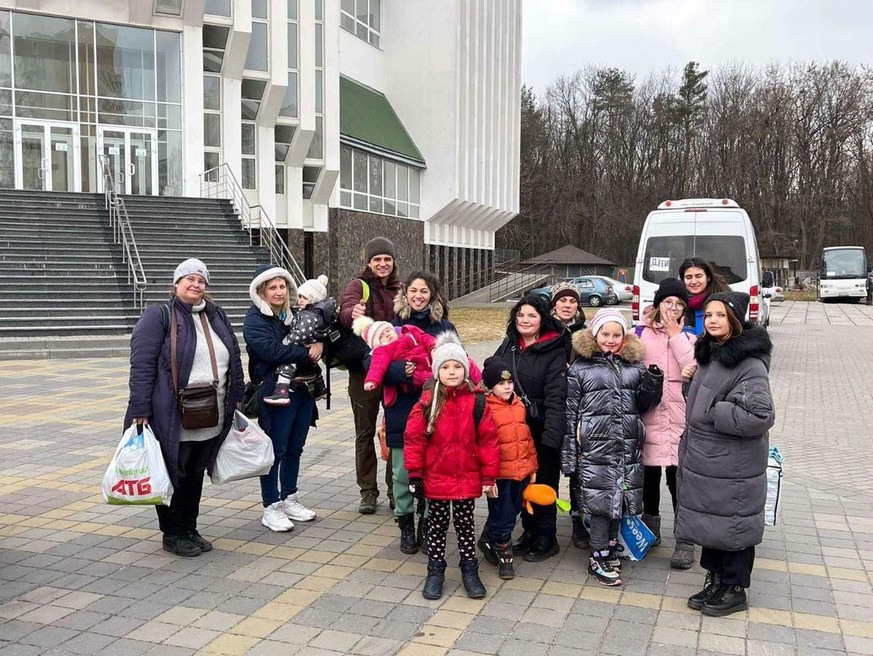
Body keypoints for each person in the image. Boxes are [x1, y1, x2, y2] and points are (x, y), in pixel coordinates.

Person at [125, 258, 244, 557]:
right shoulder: (159, 316)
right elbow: (142, 365)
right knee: (171, 473)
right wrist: (140, 408)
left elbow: (234, 356)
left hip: (209, 411)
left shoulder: (216, 315)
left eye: (201, 280)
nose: (196, 285)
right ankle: (172, 533)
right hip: (171, 413)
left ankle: (189, 527)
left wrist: (238, 395)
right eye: (189, 279)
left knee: (194, 472)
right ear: (177, 283)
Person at [676, 292, 774, 617]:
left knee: (733, 526)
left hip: (734, 465)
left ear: (735, 320)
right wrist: (689, 386)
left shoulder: (748, 363)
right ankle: (716, 579)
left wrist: (717, 411)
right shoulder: (711, 354)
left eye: (720, 315)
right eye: (709, 315)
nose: (713, 320)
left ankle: (735, 588)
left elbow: (760, 416)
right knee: (712, 524)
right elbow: (701, 403)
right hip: (708, 461)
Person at [562, 308, 663, 586]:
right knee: (599, 505)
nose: (610, 339)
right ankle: (598, 555)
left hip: (626, 447)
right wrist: (570, 454)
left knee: (620, 501)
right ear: (595, 335)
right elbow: (570, 412)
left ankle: (609, 547)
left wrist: (653, 381)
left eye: (616, 334)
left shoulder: (634, 368)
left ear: (624, 337)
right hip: (594, 449)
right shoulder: (581, 369)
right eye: (605, 334)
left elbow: (645, 405)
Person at [404, 333, 500, 600]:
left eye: (457, 366)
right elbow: (414, 440)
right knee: (436, 526)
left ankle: (470, 569)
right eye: (445, 367)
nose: (452, 371)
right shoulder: (427, 402)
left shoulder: (477, 401)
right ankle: (435, 570)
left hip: (467, 478)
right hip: (436, 478)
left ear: (465, 369)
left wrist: (488, 477)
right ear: (437, 371)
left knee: (465, 525)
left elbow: (488, 441)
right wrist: (415, 474)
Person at [384, 271, 457, 554]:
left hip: (436, 408)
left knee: (432, 472)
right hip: (401, 410)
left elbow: (458, 365)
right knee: (402, 473)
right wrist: (398, 370)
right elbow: (373, 362)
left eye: (424, 291)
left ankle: (428, 525)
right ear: (404, 294)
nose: (418, 296)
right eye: (413, 290)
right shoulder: (392, 326)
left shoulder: (445, 327)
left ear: (433, 295)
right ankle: (405, 523)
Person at [244, 264, 321, 532]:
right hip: (274, 394)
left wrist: (320, 343)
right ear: (261, 291)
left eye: (282, 287)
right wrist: (307, 352)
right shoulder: (255, 319)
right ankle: (271, 506)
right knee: (274, 451)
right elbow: (271, 352)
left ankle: (289, 497)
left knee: (294, 448)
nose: (279, 292)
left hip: (302, 392)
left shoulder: (296, 316)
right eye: (272, 287)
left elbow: (320, 335)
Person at [493, 295, 568, 562]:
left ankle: (547, 537)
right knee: (522, 481)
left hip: (543, 426)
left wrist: (552, 437)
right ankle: (529, 532)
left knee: (545, 482)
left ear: (543, 319)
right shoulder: (509, 346)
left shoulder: (554, 350)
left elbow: (558, 397)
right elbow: (492, 378)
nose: (525, 320)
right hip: (515, 429)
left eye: (532, 316)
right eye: (521, 315)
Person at [636, 278, 698, 569]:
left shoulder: (690, 336)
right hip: (650, 413)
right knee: (649, 476)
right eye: (668, 303)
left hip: (679, 416)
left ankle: (684, 538)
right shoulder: (640, 333)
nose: (673, 308)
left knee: (679, 479)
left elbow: (692, 364)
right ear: (657, 305)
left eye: (678, 304)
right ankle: (650, 530)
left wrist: (675, 333)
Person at [340, 237, 401, 514]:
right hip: (362, 371)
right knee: (364, 432)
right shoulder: (358, 286)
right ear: (369, 263)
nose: (382, 264)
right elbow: (345, 312)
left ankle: (393, 489)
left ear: (393, 262)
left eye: (386, 259)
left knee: (394, 432)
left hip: (393, 372)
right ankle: (367, 491)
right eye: (377, 259)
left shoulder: (401, 289)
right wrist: (353, 312)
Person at [476, 356, 538, 580]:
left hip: (521, 470)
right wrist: (487, 478)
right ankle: (505, 556)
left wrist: (532, 466)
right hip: (499, 474)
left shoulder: (519, 403)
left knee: (513, 512)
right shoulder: (485, 408)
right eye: (501, 384)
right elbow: (483, 444)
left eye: (509, 382)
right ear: (491, 386)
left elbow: (526, 438)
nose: (507, 387)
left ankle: (487, 539)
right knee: (503, 516)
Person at [550, 280, 590, 549]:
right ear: (554, 305)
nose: (567, 305)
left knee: (578, 467)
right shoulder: (546, 330)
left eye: (572, 301)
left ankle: (579, 519)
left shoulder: (585, 334)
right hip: (552, 407)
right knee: (549, 465)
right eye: (563, 300)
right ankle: (543, 519)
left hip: (578, 408)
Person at [263, 274, 334, 405]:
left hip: (299, 352)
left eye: (304, 298)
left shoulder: (308, 315)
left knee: (286, 367)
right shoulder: (315, 313)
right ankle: (320, 388)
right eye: (300, 296)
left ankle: (281, 392)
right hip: (305, 358)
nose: (300, 300)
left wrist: (288, 341)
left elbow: (301, 334)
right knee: (314, 368)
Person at [353, 317, 437, 402]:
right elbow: (377, 366)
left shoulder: (408, 333)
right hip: (415, 373)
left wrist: (433, 347)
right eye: (381, 336)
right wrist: (371, 381)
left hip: (428, 362)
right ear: (378, 344)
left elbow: (425, 338)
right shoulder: (383, 350)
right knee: (430, 381)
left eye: (388, 330)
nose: (387, 334)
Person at [679, 257, 731, 335]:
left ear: (708, 277)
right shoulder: (678, 303)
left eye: (698, 276)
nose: (693, 282)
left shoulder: (723, 301)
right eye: (689, 277)